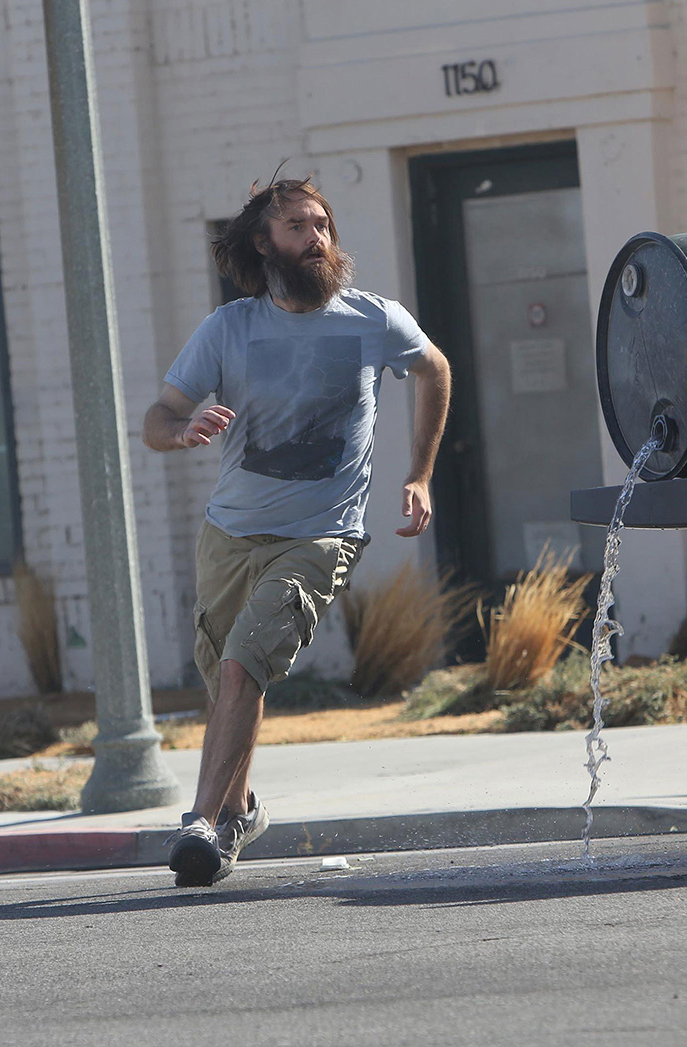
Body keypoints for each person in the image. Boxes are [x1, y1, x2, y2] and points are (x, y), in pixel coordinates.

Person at [143, 176, 451, 886]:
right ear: (264, 243)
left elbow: (434, 369)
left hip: (321, 535)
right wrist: (184, 430)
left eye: (324, 226)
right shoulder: (229, 329)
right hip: (229, 534)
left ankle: (198, 822)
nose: (318, 239)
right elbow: (157, 418)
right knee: (229, 685)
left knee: (242, 661)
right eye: (300, 228)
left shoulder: (373, 320)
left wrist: (421, 472)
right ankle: (239, 810)